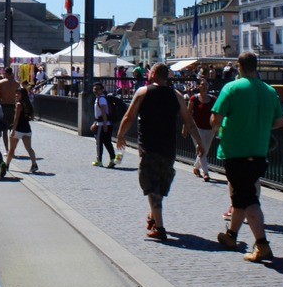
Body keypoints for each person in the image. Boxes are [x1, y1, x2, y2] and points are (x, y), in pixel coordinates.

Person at [115, 63, 205, 240]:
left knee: (151, 185)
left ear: (153, 74)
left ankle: (160, 228)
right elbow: (189, 121)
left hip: (149, 146)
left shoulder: (143, 92)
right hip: (169, 148)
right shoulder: (177, 95)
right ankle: (153, 216)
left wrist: (120, 135)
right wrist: (199, 142)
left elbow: (129, 116)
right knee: (160, 185)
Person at [210, 52, 283, 263]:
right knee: (241, 196)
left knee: (248, 199)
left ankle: (262, 245)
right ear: (256, 67)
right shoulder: (269, 91)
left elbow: (216, 118)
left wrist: (217, 127)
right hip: (259, 153)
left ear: (239, 67)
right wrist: (259, 125)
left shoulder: (232, 88)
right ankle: (231, 236)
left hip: (236, 152)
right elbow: (279, 122)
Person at [184, 79, 215, 181]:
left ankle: (196, 167)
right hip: (197, 129)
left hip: (210, 129)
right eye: (202, 84)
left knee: (205, 150)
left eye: (206, 84)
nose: (205, 86)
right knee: (201, 149)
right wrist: (185, 127)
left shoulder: (213, 99)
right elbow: (188, 114)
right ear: (199, 86)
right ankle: (206, 172)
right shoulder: (194, 99)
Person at [4, 86, 39, 174]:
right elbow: (32, 117)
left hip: (18, 129)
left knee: (12, 149)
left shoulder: (19, 104)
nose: (16, 95)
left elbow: (16, 118)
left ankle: (7, 165)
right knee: (29, 148)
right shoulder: (29, 104)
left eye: (18, 93)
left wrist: (13, 130)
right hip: (27, 128)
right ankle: (34, 164)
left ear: (22, 95)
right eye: (16, 93)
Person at [90, 82, 116, 167]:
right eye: (94, 89)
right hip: (102, 123)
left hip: (102, 124)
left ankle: (99, 160)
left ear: (102, 90)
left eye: (97, 89)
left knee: (99, 142)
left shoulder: (101, 99)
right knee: (107, 142)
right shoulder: (100, 99)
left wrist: (104, 124)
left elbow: (104, 113)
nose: (95, 90)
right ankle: (112, 159)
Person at [0, 67, 19, 140]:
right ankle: (12, 148)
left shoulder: (0, 83)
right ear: (12, 73)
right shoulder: (17, 83)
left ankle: (6, 149)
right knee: (13, 128)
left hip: (3, 106)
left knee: (4, 129)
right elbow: (19, 96)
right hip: (13, 106)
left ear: (5, 73)